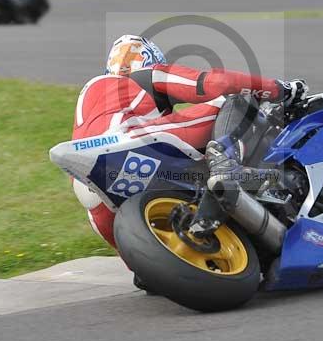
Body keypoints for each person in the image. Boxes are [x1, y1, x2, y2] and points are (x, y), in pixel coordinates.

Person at [71, 34, 308, 248]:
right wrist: (277, 88)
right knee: (237, 97)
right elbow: (216, 84)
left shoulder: (91, 96)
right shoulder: (144, 77)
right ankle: (225, 161)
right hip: (131, 142)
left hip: (93, 191)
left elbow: (137, 255)